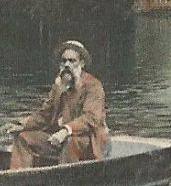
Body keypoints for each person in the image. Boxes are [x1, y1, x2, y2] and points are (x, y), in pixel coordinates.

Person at [7, 40, 109, 170]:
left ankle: (65, 183)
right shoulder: (59, 86)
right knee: (23, 138)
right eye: (64, 61)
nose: (67, 65)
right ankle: (18, 180)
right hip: (59, 138)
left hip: (89, 141)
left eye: (72, 61)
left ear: (82, 63)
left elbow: (91, 118)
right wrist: (21, 125)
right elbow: (44, 115)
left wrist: (66, 130)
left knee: (72, 142)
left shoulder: (93, 86)